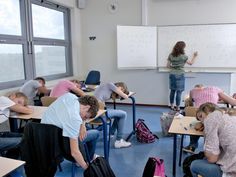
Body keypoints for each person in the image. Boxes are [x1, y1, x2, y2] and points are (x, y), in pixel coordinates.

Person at [41, 93, 99, 169]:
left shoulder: (69, 96)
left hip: (43, 136)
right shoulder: (75, 118)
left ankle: (85, 158)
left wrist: (83, 125)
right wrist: (86, 168)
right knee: (96, 133)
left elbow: (79, 115)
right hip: (61, 142)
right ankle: (86, 160)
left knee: (83, 130)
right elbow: (74, 152)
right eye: (85, 117)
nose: (84, 119)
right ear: (87, 107)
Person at [183, 84, 236, 153]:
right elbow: (233, 102)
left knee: (195, 123)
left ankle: (192, 145)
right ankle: (210, 148)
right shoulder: (216, 89)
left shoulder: (192, 91)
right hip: (214, 116)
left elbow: (189, 102)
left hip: (200, 115)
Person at [190, 102, 236, 177]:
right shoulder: (231, 113)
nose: (202, 121)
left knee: (194, 165)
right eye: (200, 120)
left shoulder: (211, 118)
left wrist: (206, 134)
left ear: (208, 110)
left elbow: (212, 159)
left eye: (201, 116)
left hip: (233, 173)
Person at [94, 82, 131, 148]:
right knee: (123, 114)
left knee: (118, 114)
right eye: (121, 89)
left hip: (97, 111)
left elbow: (102, 102)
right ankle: (119, 141)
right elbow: (125, 96)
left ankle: (111, 134)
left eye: (123, 90)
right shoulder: (109, 84)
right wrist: (126, 94)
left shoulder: (108, 89)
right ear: (117, 85)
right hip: (98, 113)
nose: (121, 91)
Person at [167, 41, 198, 111]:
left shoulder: (171, 55)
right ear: (182, 48)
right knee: (179, 92)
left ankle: (172, 106)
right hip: (180, 75)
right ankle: (178, 107)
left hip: (172, 74)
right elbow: (191, 63)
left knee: (172, 91)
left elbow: (168, 66)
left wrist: (174, 67)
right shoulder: (184, 57)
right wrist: (194, 56)